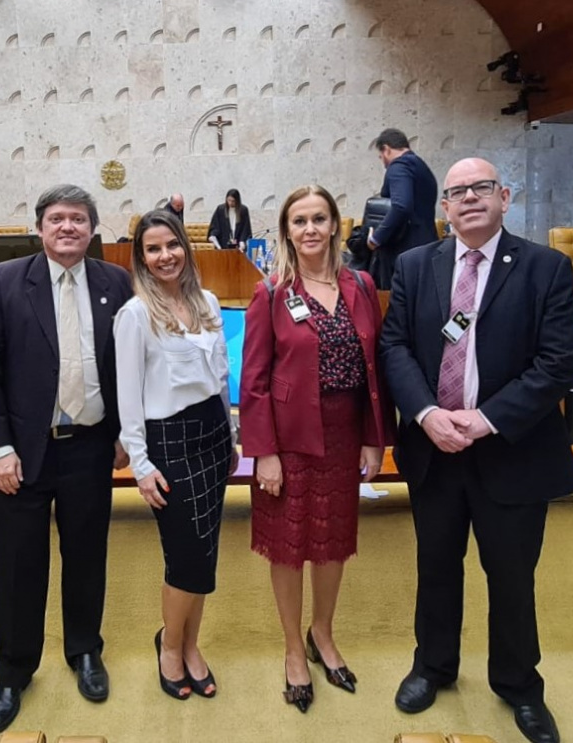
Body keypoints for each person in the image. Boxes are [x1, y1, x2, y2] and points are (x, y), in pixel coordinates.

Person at [378, 158, 573, 743]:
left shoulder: (545, 268)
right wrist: (427, 413)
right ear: (444, 206)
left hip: (512, 451)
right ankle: (433, 666)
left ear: (504, 197)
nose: (469, 198)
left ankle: (519, 684)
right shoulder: (415, 265)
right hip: (434, 449)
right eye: (457, 192)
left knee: (512, 577)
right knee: (436, 567)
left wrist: (487, 419)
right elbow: (394, 347)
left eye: (481, 188)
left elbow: (559, 362)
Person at [0, 184, 134, 735]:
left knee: (87, 554)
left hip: (90, 446)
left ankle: (85, 650)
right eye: (58, 218)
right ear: (40, 228)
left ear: (93, 229)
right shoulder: (8, 280)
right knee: (19, 564)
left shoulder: (115, 281)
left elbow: (126, 365)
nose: (68, 227)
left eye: (79, 219)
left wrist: (124, 433)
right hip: (22, 452)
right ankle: (13, 671)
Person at [240, 185, 396, 713]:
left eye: (319, 219)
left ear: (334, 226)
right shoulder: (271, 292)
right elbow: (254, 381)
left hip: (345, 432)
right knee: (289, 544)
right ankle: (293, 648)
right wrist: (263, 452)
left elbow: (376, 369)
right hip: (288, 437)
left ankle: (322, 634)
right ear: (287, 231)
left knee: (332, 540)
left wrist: (374, 437)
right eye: (299, 220)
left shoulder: (361, 285)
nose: (310, 229)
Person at [114, 210, 239, 702]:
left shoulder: (207, 301)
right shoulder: (135, 314)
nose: (165, 256)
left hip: (213, 435)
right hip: (168, 442)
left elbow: (220, 376)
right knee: (184, 553)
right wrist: (141, 464)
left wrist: (230, 435)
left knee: (205, 552)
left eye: (172, 245)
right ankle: (169, 645)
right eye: (153, 249)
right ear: (141, 258)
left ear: (186, 247)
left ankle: (190, 643)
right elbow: (128, 396)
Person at [367, 128, 439, 290]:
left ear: (386, 149)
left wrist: (376, 238)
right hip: (427, 244)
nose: (383, 162)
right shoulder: (421, 167)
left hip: (404, 251)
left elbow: (401, 206)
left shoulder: (398, 166)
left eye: (381, 156)